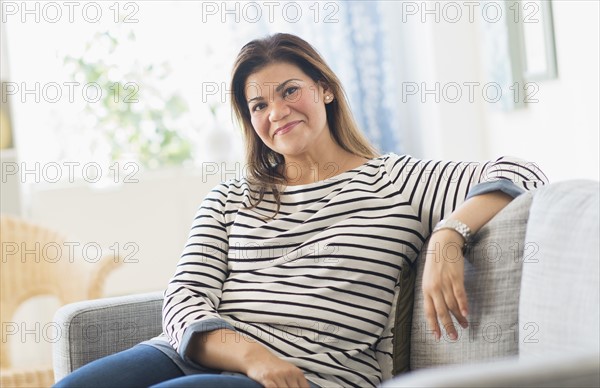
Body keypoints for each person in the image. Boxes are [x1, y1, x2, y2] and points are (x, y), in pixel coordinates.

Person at [55, 33, 548, 388]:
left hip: (310, 376)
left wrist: (448, 235)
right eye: (258, 105)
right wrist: (252, 357)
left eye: (290, 90)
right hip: (203, 357)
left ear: (325, 90)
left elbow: (524, 170)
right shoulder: (230, 198)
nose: (277, 112)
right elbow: (184, 299)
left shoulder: (398, 180)